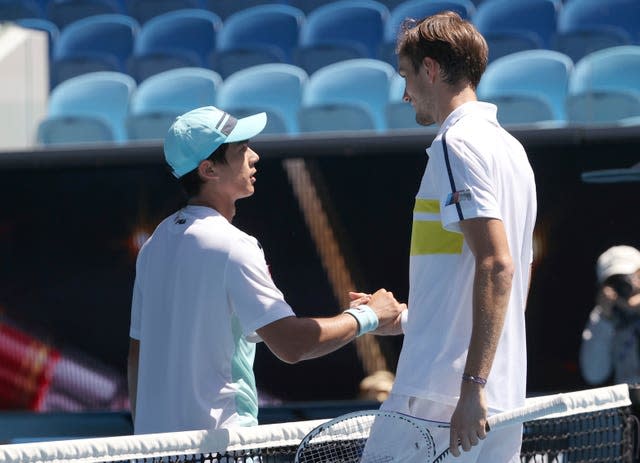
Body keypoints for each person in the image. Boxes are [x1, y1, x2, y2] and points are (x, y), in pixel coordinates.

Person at [127, 106, 406, 434]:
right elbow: (292, 345)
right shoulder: (234, 245)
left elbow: (137, 359)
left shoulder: (154, 245)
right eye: (242, 149)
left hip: (155, 451)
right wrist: (368, 316)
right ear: (209, 170)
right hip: (222, 452)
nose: (254, 156)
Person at [354, 11, 537, 462]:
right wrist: (412, 319)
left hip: (443, 398)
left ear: (430, 70)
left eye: (407, 75)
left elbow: (498, 266)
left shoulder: (455, 144)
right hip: (500, 399)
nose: (404, 92)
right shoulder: (512, 151)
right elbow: (498, 281)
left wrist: (471, 387)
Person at [579, 245, 640, 385]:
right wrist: (604, 320)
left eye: (628, 277)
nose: (624, 286)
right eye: (615, 281)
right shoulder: (603, 316)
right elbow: (594, 374)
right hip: (632, 402)